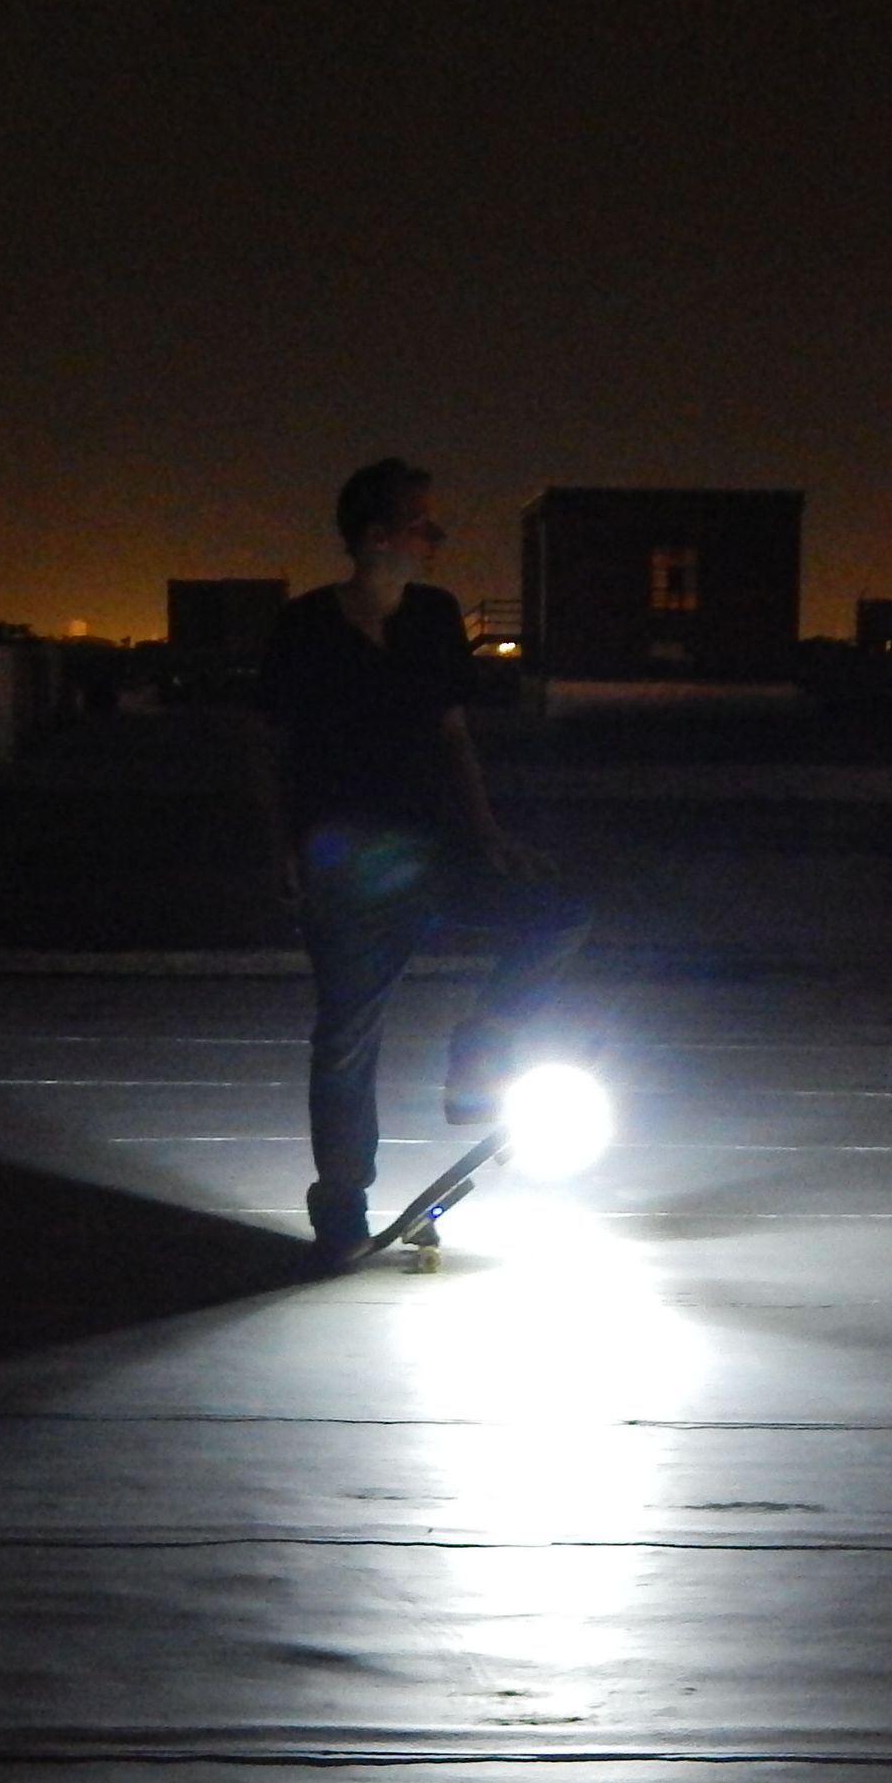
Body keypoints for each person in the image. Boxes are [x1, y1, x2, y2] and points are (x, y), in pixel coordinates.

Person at [257, 457, 590, 1275]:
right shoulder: (304, 628)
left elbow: (453, 738)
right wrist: (280, 852)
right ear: (377, 537)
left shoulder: (435, 618)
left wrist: (492, 837)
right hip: (345, 869)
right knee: (345, 1038)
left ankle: (482, 1042)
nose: (438, 539)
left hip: (435, 852)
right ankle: (341, 1204)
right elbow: (270, 752)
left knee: (560, 912)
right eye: (423, 525)